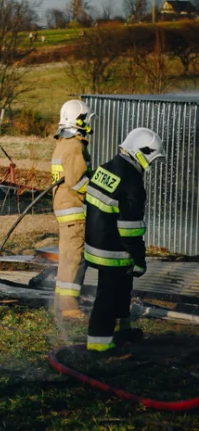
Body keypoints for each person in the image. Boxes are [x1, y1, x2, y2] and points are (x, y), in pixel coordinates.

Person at [84, 127, 165, 353]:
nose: (151, 163)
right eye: (152, 158)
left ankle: (124, 329)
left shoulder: (105, 168)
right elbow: (130, 229)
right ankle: (99, 344)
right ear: (142, 152)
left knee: (121, 287)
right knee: (108, 296)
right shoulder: (132, 183)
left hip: (95, 243)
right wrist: (139, 259)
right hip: (113, 250)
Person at [50, 99, 94, 320]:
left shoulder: (62, 144)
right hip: (74, 208)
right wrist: (96, 194)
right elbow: (78, 181)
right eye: (86, 119)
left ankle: (60, 301)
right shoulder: (75, 146)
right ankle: (68, 307)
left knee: (67, 256)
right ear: (79, 120)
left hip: (63, 207)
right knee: (75, 257)